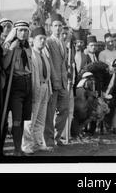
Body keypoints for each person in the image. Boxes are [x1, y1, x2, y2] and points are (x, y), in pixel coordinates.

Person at [2, 20, 33, 156]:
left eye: (26, 30)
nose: (23, 33)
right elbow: (4, 65)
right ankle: (16, 150)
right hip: (15, 84)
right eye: (20, 30)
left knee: (24, 119)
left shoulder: (28, 47)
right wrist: (11, 49)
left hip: (28, 83)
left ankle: (20, 148)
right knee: (16, 118)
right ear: (15, 31)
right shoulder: (10, 45)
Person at [22, 27, 53, 153]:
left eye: (44, 39)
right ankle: (27, 146)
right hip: (35, 88)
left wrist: (49, 89)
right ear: (33, 40)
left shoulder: (44, 54)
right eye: (40, 39)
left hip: (45, 87)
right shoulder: (30, 54)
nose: (43, 41)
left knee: (41, 118)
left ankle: (39, 143)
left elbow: (48, 74)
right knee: (31, 118)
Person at [44, 13, 69, 147]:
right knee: (50, 112)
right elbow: (49, 63)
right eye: (55, 26)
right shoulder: (48, 42)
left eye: (60, 26)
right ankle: (48, 141)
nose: (58, 28)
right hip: (53, 82)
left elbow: (63, 63)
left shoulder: (63, 42)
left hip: (64, 82)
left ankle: (57, 137)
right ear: (51, 28)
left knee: (64, 110)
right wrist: (54, 81)